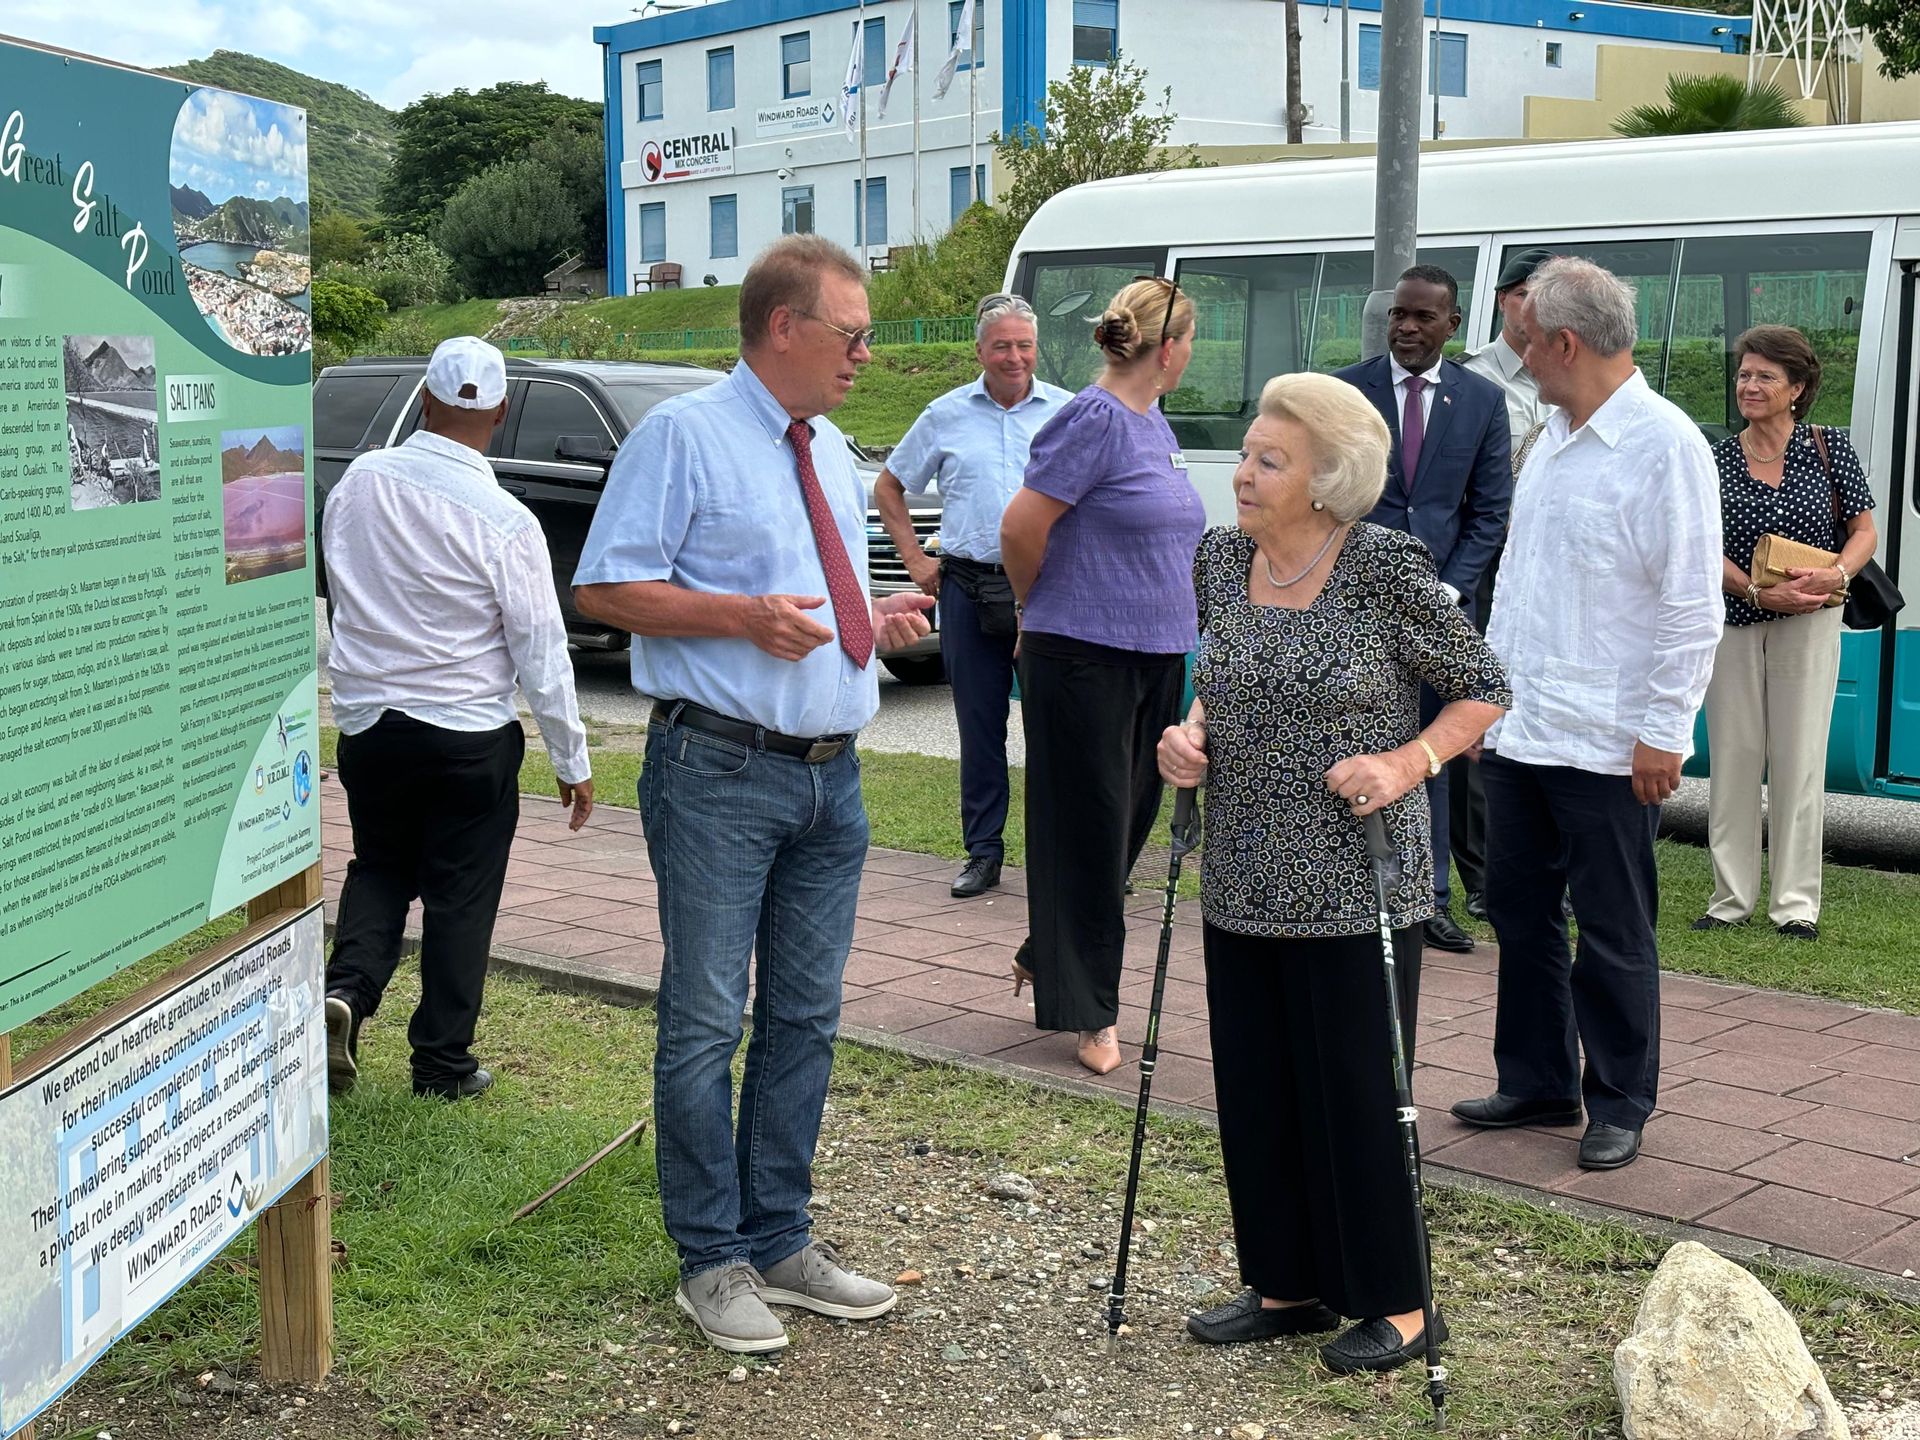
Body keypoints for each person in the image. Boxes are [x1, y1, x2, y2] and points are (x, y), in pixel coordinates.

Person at [572, 235, 933, 1357]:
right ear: (785, 326)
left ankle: (780, 1237)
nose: (866, 354)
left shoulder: (828, 446)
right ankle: (711, 1259)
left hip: (834, 781)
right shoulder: (684, 435)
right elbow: (602, 585)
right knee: (704, 1022)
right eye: (853, 332)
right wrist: (739, 617)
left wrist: (873, 620)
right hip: (719, 771)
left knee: (806, 1017)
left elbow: (816, 582)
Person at [1157, 372, 1508, 1372]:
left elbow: (1485, 688)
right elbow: (1217, 684)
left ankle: (1399, 1304)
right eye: (1248, 453)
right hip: (1242, 873)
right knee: (1256, 1086)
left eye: (1271, 460)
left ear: (1327, 480)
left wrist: (1406, 764)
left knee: (1358, 1093)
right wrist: (1188, 739)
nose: (1245, 476)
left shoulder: (1384, 566)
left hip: (1358, 884)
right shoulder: (1221, 562)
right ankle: (1287, 1283)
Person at [1452, 257, 1723, 1172]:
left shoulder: (1664, 444)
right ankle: (1536, 1078)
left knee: (1612, 927)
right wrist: (1489, 703)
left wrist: (1664, 730)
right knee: (1519, 909)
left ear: (1566, 341)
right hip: (1527, 726)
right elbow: (1524, 589)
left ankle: (1619, 1099)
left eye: (1526, 342)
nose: (1519, 359)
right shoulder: (1557, 439)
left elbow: (1692, 604)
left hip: (1611, 740)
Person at [322, 336, 594, 1101]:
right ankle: (440, 1064)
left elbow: (339, 585)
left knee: (379, 865)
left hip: (372, 722)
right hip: (469, 729)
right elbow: (541, 648)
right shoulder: (505, 520)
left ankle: (347, 992)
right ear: (501, 412)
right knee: (460, 896)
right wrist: (571, 758)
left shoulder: (358, 484)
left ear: (426, 400)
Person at [999, 276, 1205, 1077]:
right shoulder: (1092, 419)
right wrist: (1031, 606)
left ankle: (1046, 951)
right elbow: (1022, 525)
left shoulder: (1154, 422)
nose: (1191, 354)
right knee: (1090, 828)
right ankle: (1091, 1011)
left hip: (1157, 654)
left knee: (1124, 827)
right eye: (1190, 341)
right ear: (1168, 347)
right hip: (1080, 654)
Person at [1335, 265, 1512, 953]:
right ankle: (1355, 884)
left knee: (1430, 750)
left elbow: (1489, 512)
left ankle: (1428, 899)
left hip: (1440, 608)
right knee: (1358, 743)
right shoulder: (1348, 392)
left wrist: (1449, 592)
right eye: (1398, 316)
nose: (1407, 328)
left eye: (1422, 318)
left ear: (1453, 324)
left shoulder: (1480, 401)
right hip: (1352, 604)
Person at [874, 294, 1071, 898]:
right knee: (979, 727)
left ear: (1037, 348)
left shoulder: (1068, 413)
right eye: (1001, 345)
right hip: (965, 586)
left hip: (1048, 594)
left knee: (1055, 730)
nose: (1014, 357)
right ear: (979, 350)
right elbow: (889, 486)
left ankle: (1059, 861)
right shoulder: (945, 414)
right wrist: (915, 562)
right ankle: (983, 852)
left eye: (1025, 345)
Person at [1696, 325, 1877, 941]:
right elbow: (1701, 547)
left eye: (1764, 376)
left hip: (1812, 623)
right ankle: (1730, 899)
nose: (1749, 385)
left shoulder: (1830, 449)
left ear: (1797, 389)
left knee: (1800, 761)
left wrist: (1833, 576)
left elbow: (1863, 532)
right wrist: (1754, 590)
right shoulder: (1714, 458)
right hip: (1737, 622)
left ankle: (1796, 904)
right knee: (1736, 758)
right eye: (1744, 374)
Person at [1456, 247, 1555, 920]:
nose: (1545, 308)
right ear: (1505, 301)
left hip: (1549, 569)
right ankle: (1483, 876)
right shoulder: (1471, 381)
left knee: (1533, 715)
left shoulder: (1573, 374)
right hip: (1490, 568)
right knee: (1479, 717)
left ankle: (1534, 867)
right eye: (1533, 295)